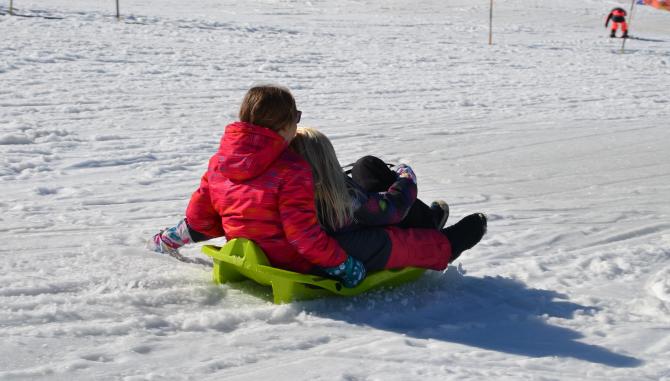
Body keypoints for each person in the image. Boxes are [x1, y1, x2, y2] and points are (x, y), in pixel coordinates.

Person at [148, 85, 485, 287]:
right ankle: (445, 246)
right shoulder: (291, 170)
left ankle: (432, 228)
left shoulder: (220, 163)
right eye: (295, 118)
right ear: (282, 126)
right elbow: (303, 236)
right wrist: (343, 267)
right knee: (385, 241)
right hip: (296, 261)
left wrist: (169, 238)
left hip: (253, 251)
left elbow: (200, 217)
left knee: (373, 227)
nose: (297, 125)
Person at [289, 127, 487, 266]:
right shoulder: (344, 199)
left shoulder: (289, 192)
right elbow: (393, 208)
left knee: (366, 165)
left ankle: (427, 218)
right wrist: (405, 177)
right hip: (365, 230)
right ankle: (436, 233)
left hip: (342, 226)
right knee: (392, 231)